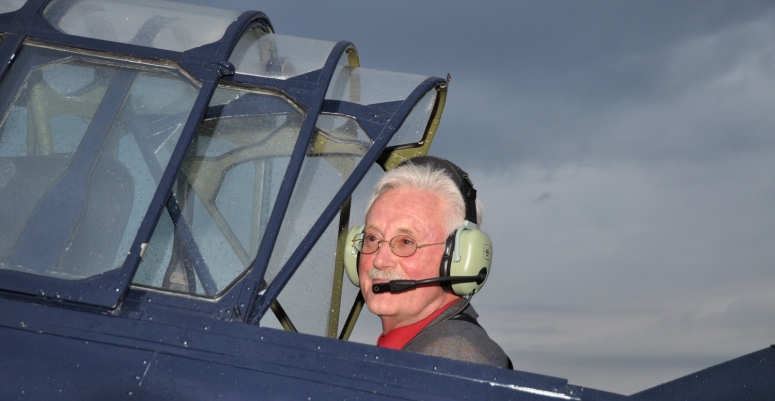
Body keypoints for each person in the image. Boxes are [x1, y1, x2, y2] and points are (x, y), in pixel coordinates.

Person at [355, 156, 510, 368]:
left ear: (460, 258)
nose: (380, 260)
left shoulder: (453, 359)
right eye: (372, 238)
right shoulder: (418, 351)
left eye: (406, 242)